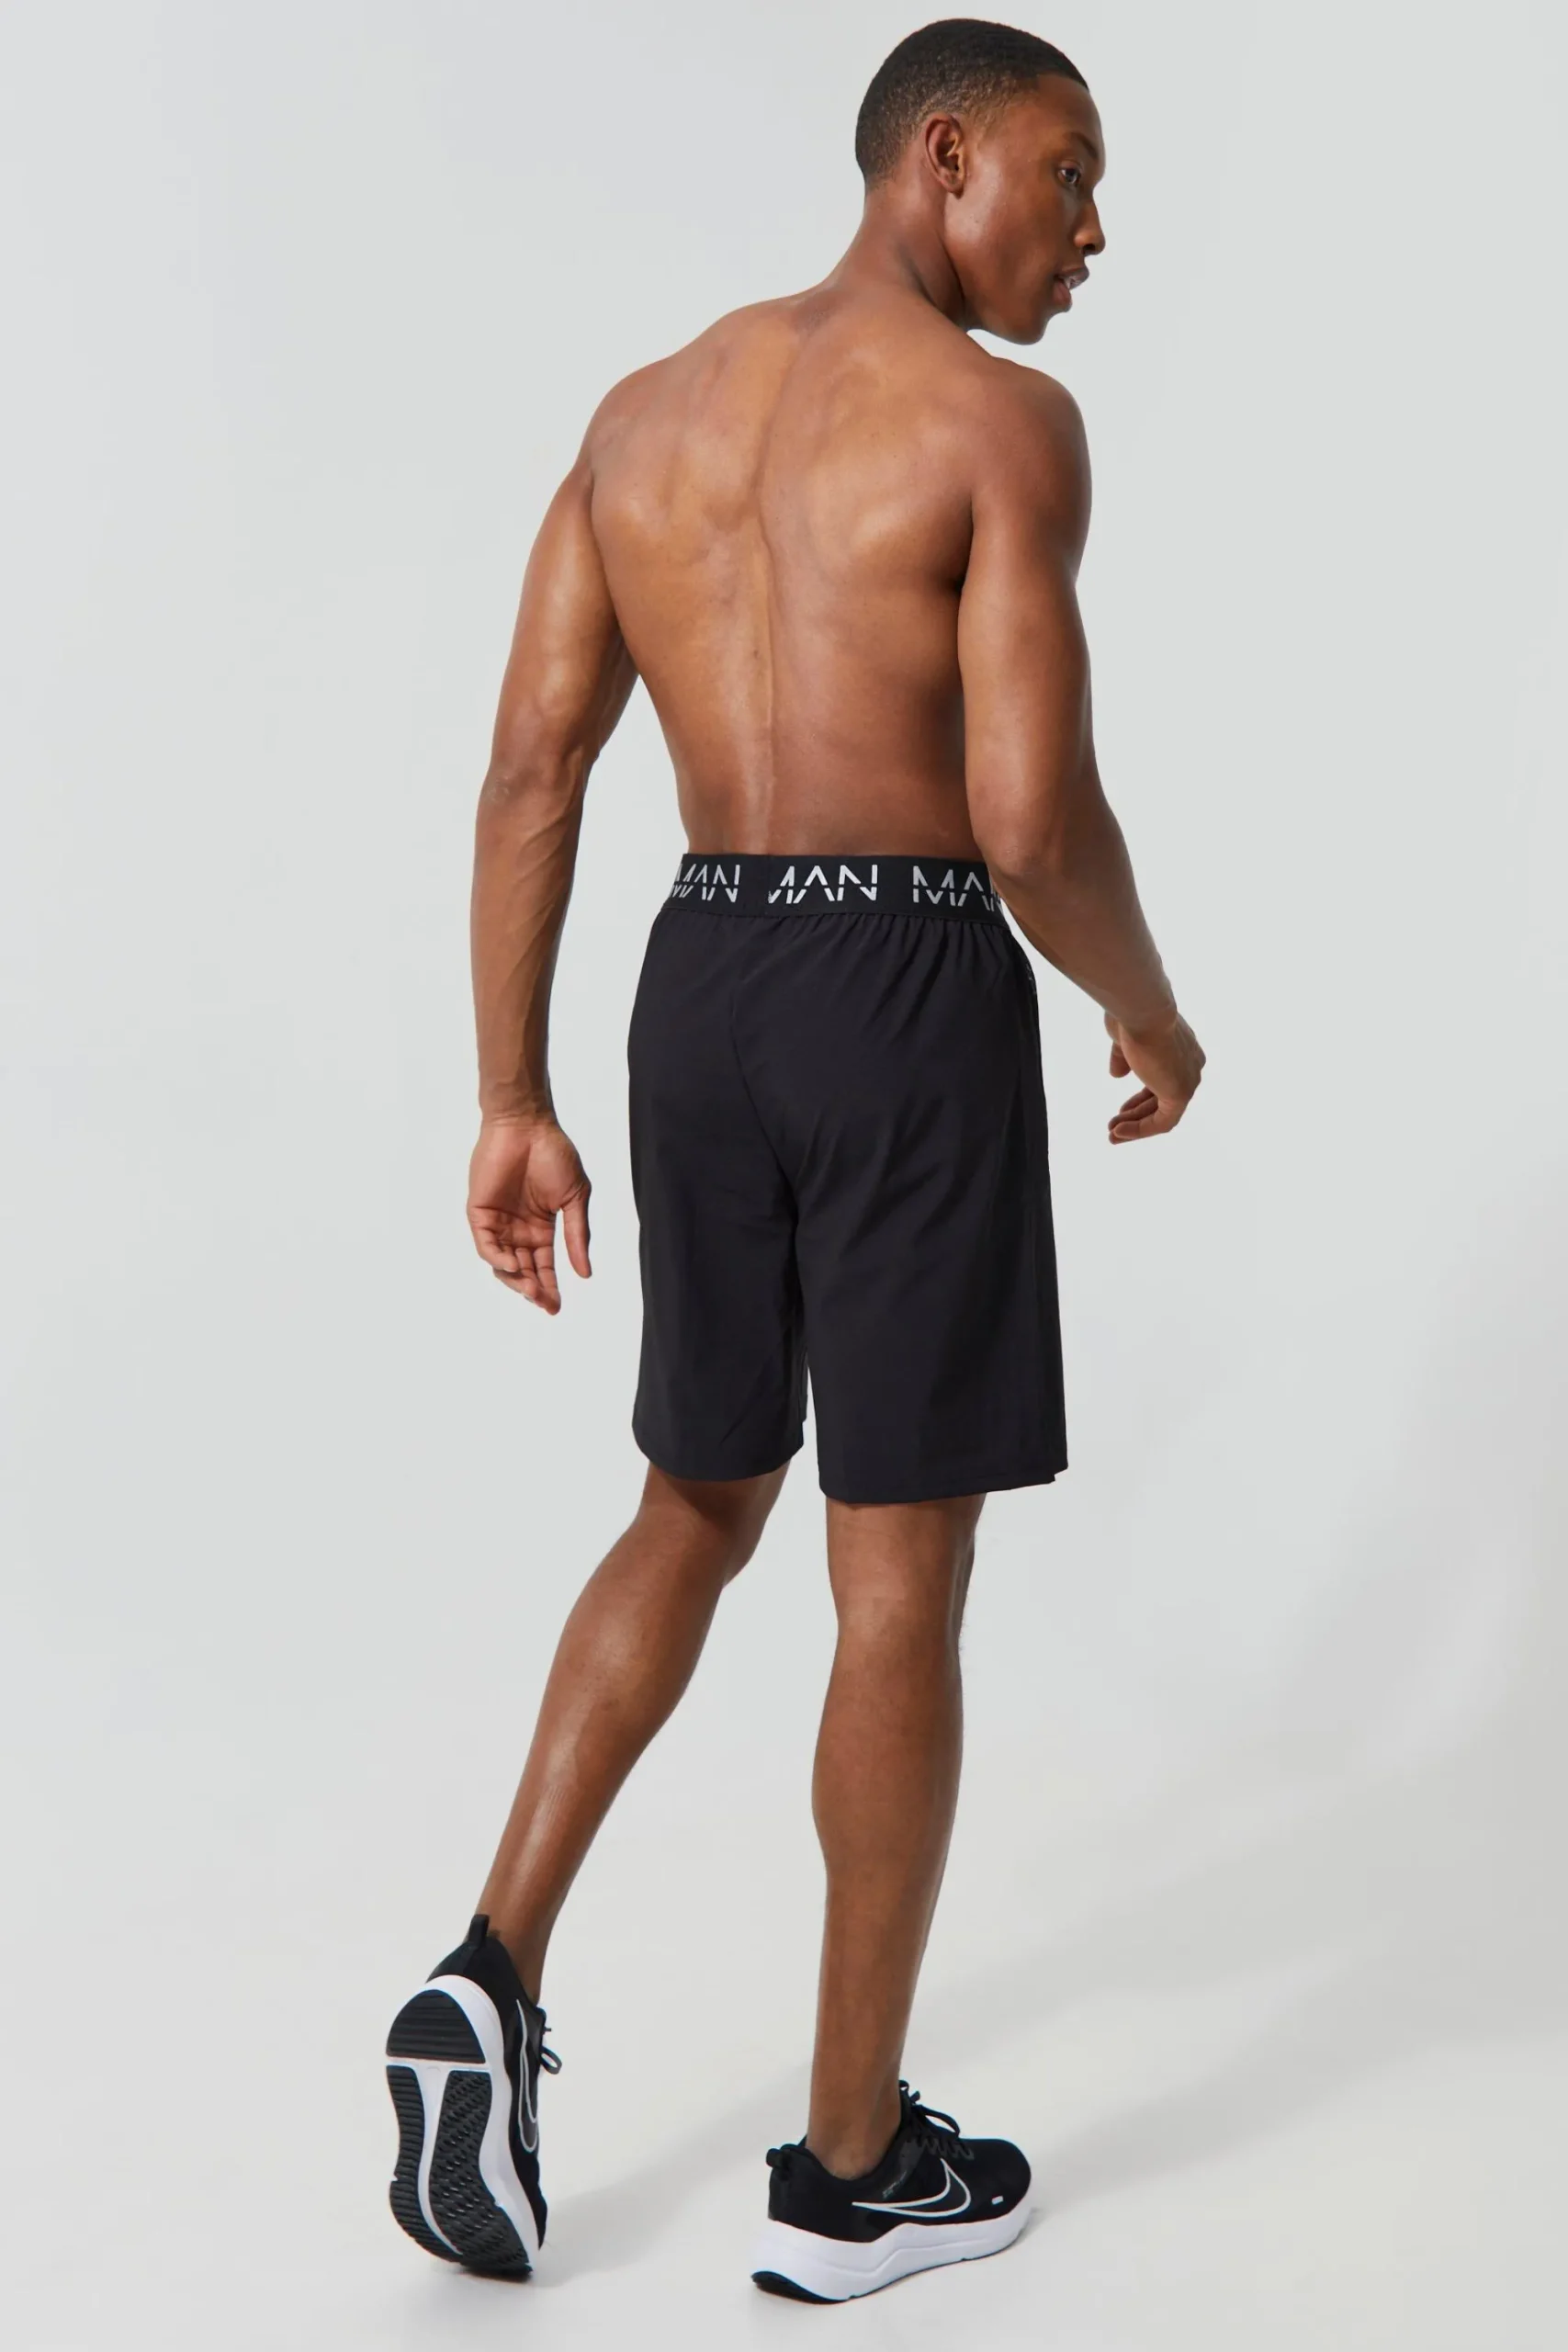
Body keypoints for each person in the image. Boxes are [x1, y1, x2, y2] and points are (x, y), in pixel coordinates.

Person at [383, 17, 1204, 2305]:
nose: (1090, 230)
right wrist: (1149, 1006)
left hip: (701, 980)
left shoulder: (642, 414)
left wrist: (510, 1091)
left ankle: (484, 1971)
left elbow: (531, 770)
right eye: (1065, 172)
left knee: (693, 1498)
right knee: (894, 1575)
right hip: (905, 974)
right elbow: (1027, 818)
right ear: (941, 155)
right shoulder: (998, 427)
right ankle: (850, 2169)